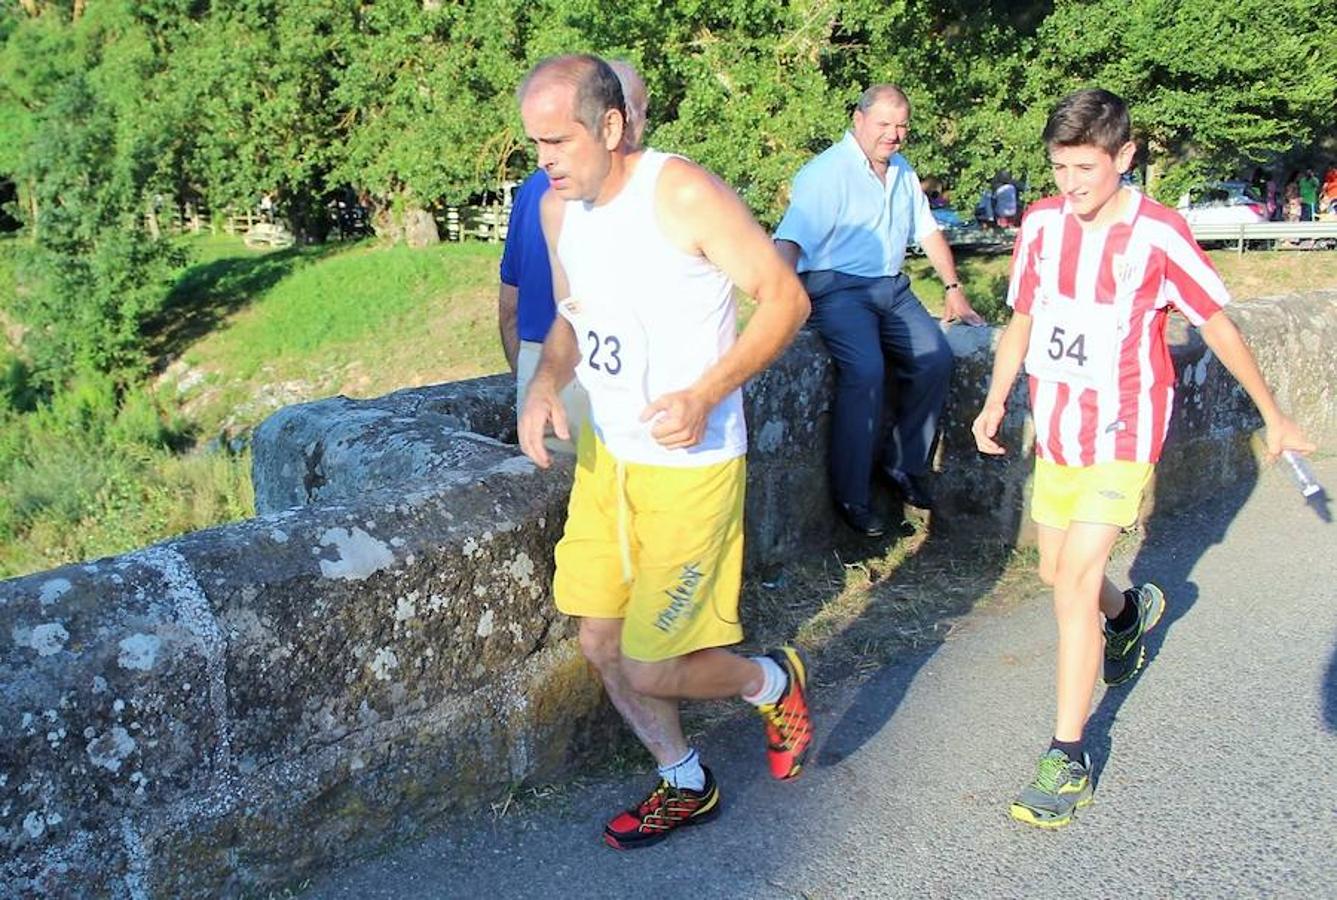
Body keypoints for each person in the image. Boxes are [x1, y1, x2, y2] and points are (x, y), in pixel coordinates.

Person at [971, 88, 1316, 829]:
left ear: (1123, 158)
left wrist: (1273, 413)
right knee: (1052, 573)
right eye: (1059, 168)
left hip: (1125, 430)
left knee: (1070, 586)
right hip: (1058, 427)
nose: (1069, 186)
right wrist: (996, 400)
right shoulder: (1039, 225)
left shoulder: (1158, 234)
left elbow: (1214, 322)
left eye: (1084, 169)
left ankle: (1066, 755)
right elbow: (1024, 318)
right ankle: (1127, 617)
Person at [515, 54, 814, 850]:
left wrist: (707, 391)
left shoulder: (681, 193)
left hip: (689, 466)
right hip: (608, 458)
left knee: (650, 663)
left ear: (609, 128)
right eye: (533, 145)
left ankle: (770, 681)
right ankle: (684, 778)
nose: (543, 161)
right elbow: (572, 318)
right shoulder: (557, 211)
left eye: (556, 141)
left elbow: (785, 298)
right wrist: (545, 382)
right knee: (597, 639)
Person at [773, 84, 984, 537]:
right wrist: (778, 308)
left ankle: (904, 463)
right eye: (884, 124)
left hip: (891, 287)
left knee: (935, 358)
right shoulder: (826, 173)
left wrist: (952, 287)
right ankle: (853, 496)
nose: (893, 134)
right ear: (858, 120)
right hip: (836, 288)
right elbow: (789, 240)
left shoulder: (903, 172)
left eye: (901, 125)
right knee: (865, 371)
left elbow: (927, 232)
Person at [498, 60, 648, 448]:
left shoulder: (534, 192)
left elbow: (509, 304)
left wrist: (531, 377)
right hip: (592, 363)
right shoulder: (560, 196)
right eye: (636, 112)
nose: (637, 126)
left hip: (546, 358)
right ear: (611, 120)